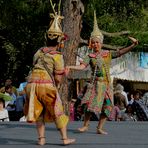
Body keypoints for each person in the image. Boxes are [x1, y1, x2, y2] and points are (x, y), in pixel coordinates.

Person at [66, 11, 138, 135]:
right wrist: (70, 66)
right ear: (91, 43)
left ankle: (99, 127)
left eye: (97, 42)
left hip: (107, 86)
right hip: (96, 85)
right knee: (89, 105)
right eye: (93, 42)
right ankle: (85, 126)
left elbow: (120, 52)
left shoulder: (107, 54)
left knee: (108, 107)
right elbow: (82, 66)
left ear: (101, 42)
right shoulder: (90, 56)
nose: (95, 44)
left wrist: (133, 45)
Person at [23, 6, 75, 146]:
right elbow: (57, 78)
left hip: (31, 85)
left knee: (39, 112)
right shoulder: (57, 56)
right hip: (46, 86)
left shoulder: (38, 52)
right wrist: (64, 75)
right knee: (58, 111)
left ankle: (41, 140)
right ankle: (64, 139)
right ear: (59, 41)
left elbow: (34, 65)